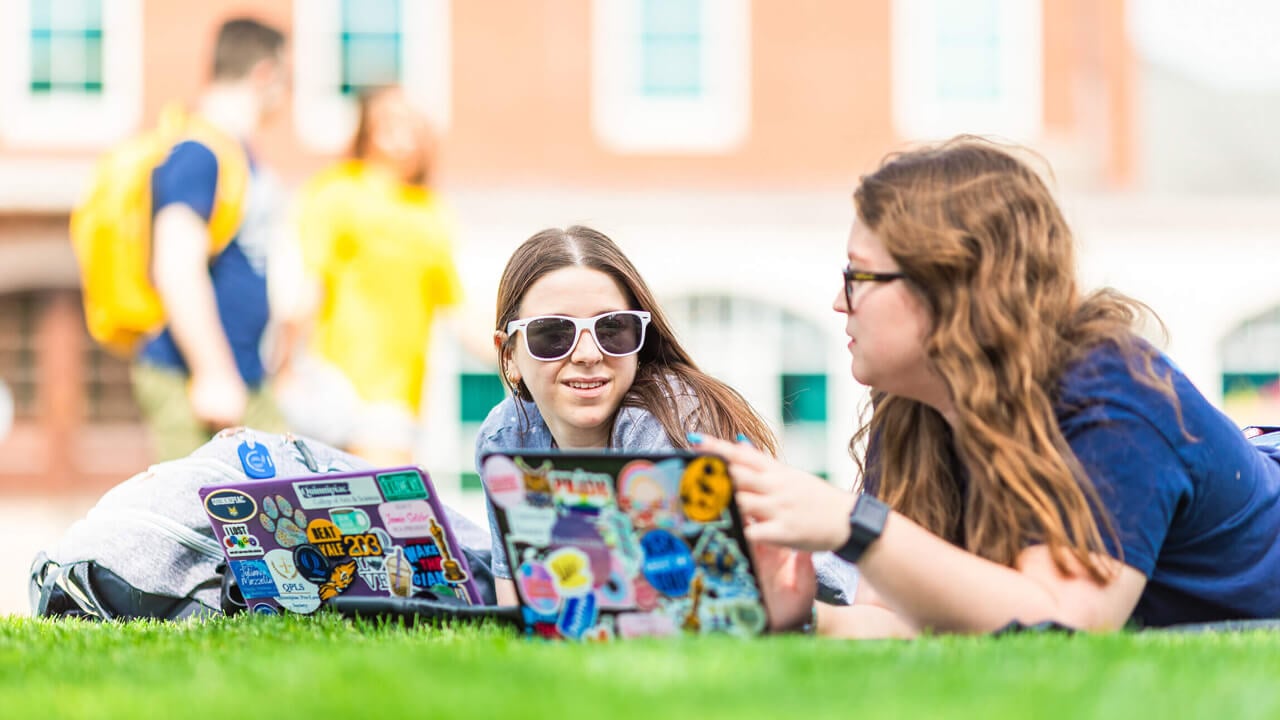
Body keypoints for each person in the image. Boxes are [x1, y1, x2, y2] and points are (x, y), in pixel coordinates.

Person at [691, 137, 1280, 636]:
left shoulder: (1114, 396)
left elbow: (1059, 627)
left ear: (949, 285)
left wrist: (854, 521)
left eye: (858, 274)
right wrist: (796, 615)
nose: (839, 300)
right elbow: (901, 622)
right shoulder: (914, 403)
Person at [474, 226, 807, 606]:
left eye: (612, 328)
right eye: (553, 333)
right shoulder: (504, 435)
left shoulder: (662, 421)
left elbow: (668, 608)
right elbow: (516, 604)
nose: (587, 354)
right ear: (509, 356)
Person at [272, 86, 475, 465]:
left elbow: (458, 310)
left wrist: (518, 352)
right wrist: (283, 368)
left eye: (413, 122)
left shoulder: (431, 213)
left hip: (395, 399)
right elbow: (307, 287)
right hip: (331, 385)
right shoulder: (336, 193)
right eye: (391, 121)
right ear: (368, 129)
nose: (404, 134)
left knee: (386, 513)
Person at [133, 17, 289, 461]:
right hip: (194, 379)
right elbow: (176, 264)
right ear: (265, 73)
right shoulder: (199, 151)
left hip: (240, 377)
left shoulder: (233, 154)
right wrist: (212, 373)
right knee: (198, 524)